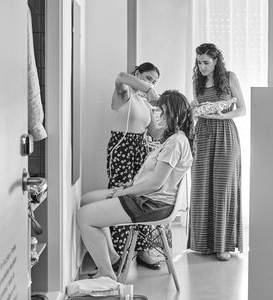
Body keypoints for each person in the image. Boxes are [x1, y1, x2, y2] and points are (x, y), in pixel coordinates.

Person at [77, 90, 195, 280]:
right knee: (85, 201)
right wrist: (128, 186)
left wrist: (123, 192)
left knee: (84, 216)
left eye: (164, 113)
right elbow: (152, 177)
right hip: (147, 199)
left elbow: (155, 184)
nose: (161, 117)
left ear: (175, 114)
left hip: (150, 203)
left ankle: (106, 274)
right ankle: (114, 257)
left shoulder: (175, 143)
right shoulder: (176, 140)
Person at [188, 43, 245, 261]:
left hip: (225, 132)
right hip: (202, 133)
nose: (202, 67)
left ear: (216, 61)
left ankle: (224, 245)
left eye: (206, 62)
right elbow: (197, 109)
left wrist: (224, 116)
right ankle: (203, 243)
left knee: (223, 186)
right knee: (202, 185)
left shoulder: (229, 77)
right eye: (199, 62)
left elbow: (242, 109)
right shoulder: (198, 81)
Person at [107, 63, 164, 270]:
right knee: (122, 197)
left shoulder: (146, 105)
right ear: (137, 74)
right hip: (122, 150)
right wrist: (148, 88)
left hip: (141, 149)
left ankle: (142, 250)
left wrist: (175, 117)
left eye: (154, 81)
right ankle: (119, 252)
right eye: (148, 78)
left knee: (142, 197)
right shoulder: (125, 92)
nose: (151, 84)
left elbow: (155, 133)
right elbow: (121, 75)